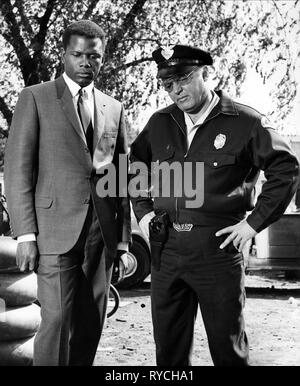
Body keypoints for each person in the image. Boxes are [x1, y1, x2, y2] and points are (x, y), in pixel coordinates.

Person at [130, 44, 299, 366]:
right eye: (167, 84)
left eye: (183, 79)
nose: (176, 90)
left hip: (217, 249)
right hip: (166, 248)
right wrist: (143, 210)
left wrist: (253, 224)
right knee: (168, 350)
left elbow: (286, 169)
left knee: (228, 349)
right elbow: (133, 164)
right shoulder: (160, 122)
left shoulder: (245, 122)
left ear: (206, 74)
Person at [4, 20, 131, 366]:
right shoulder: (36, 97)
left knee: (91, 323)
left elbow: (119, 177)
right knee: (57, 320)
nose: (85, 63)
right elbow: (17, 170)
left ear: (102, 58)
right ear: (64, 55)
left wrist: (121, 240)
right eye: (77, 55)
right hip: (52, 231)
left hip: (100, 235)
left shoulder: (114, 108)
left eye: (94, 56)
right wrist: (25, 235)